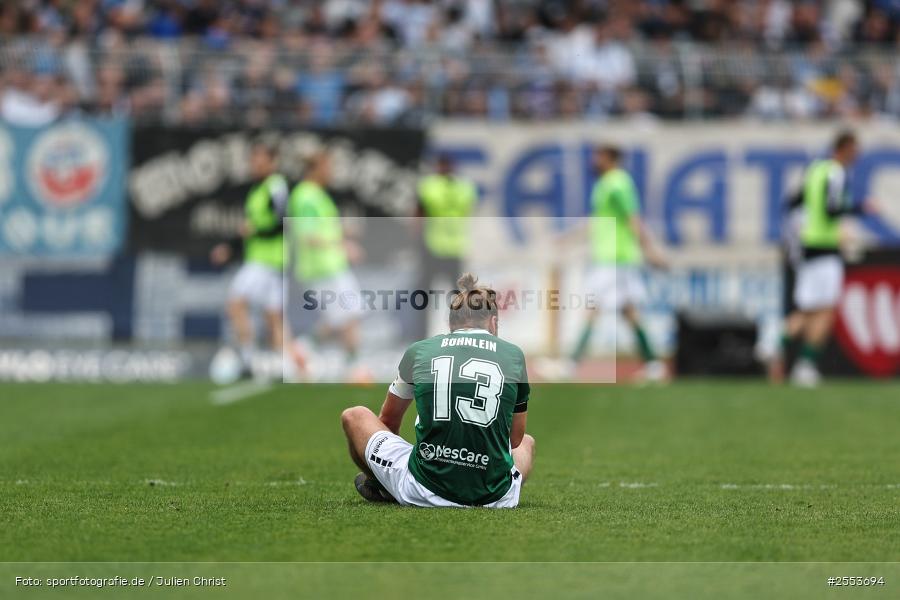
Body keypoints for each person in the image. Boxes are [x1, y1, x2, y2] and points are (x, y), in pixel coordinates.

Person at [341, 273, 535, 508]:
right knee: (527, 443)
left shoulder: (420, 350)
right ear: (493, 322)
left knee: (355, 416)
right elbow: (514, 440)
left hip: (424, 488)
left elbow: (389, 421)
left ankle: (380, 485)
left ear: (450, 323)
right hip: (495, 496)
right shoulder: (514, 355)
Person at [572, 144, 668, 382]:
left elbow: (633, 217)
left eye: (598, 156)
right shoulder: (605, 184)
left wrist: (650, 250)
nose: (594, 161)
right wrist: (568, 237)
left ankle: (570, 364)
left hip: (615, 257)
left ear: (610, 158)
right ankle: (653, 365)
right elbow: (598, 221)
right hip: (611, 256)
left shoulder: (618, 183)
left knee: (592, 306)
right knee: (629, 311)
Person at [787, 130, 875, 387]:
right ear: (844, 148)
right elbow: (831, 209)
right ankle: (805, 366)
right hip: (825, 247)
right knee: (824, 311)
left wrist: (799, 232)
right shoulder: (836, 173)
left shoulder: (815, 170)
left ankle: (773, 346)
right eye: (855, 150)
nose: (857, 156)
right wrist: (861, 208)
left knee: (808, 309)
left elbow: (794, 203)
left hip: (807, 246)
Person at [210, 141, 289, 377]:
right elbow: (251, 228)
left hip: (265, 261)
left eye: (259, 159)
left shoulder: (275, 186)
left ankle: (247, 360)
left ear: (272, 162)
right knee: (273, 317)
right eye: (253, 159)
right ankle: (282, 366)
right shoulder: (258, 190)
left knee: (236, 303)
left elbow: (282, 222)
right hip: (271, 261)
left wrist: (254, 232)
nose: (254, 164)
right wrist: (231, 246)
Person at [289, 150, 365, 380]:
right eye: (327, 167)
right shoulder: (305, 197)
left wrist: (343, 232)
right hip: (321, 268)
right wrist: (343, 245)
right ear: (314, 169)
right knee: (350, 315)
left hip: (331, 266)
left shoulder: (317, 195)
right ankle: (353, 370)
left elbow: (323, 229)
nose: (330, 172)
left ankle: (302, 350)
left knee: (341, 317)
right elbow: (307, 236)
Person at [414, 154, 477, 339]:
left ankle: (421, 337)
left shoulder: (429, 186)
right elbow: (468, 209)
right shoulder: (465, 188)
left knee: (424, 297)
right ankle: (461, 334)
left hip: (432, 246)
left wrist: (416, 240)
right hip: (456, 247)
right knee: (459, 298)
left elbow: (418, 215)